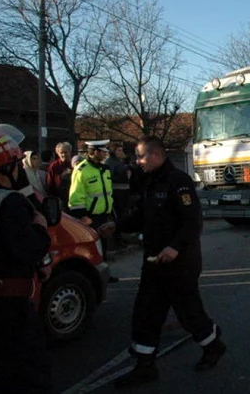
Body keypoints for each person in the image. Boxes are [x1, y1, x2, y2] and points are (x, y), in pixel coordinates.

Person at [104, 136, 225, 388]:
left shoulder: (179, 182)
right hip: (154, 260)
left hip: (180, 262)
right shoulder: (148, 180)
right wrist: (117, 225)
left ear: (157, 155)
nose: (137, 161)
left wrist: (174, 247)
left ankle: (213, 346)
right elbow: (141, 216)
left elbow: (192, 222)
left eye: (141, 156)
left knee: (189, 313)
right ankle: (145, 366)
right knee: (145, 314)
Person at [0, 124, 52, 394]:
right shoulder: (10, 203)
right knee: (26, 370)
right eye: (16, 163)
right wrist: (40, 226)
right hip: (10, 304)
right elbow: (29, 248)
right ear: (7, 168)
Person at [46, 141, 73, 208]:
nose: (63, 154)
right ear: (58, 154)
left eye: (65, 152)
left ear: (70, 152)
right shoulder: (54, 166)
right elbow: (50, 184)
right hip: (59, 199)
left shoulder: (74, 164)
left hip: (74, 197)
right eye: (61, 153)